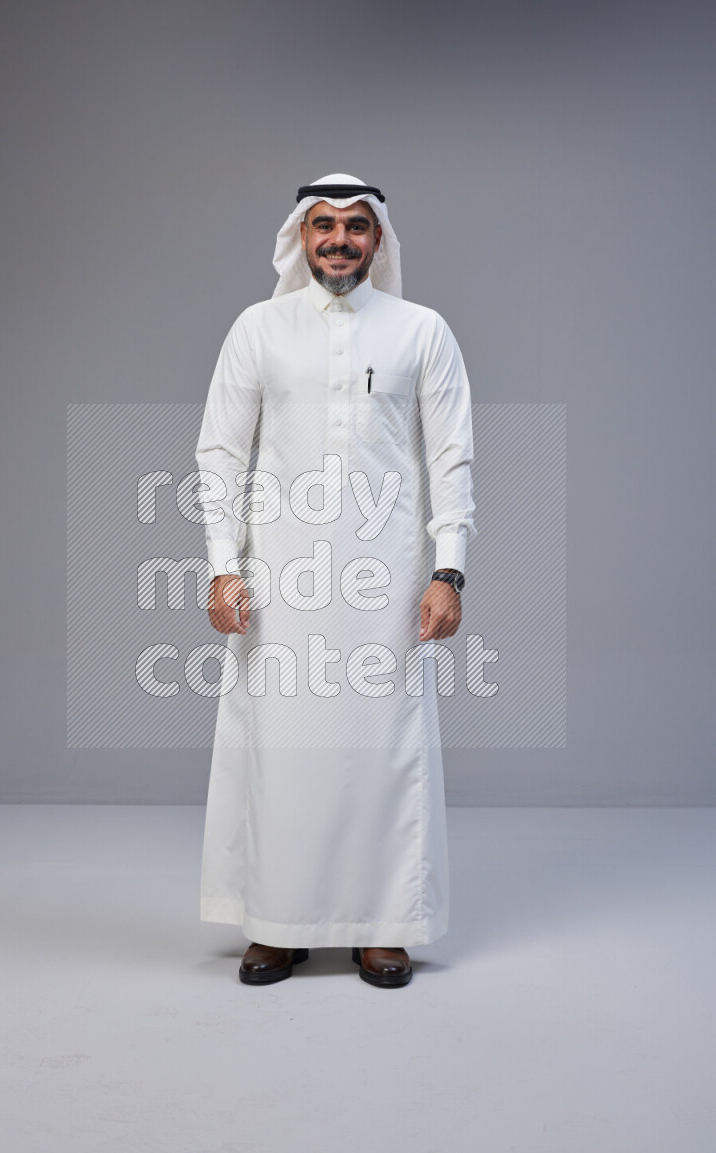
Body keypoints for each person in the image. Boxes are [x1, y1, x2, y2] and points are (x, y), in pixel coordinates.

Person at [195, 173, 476, 988]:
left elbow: (452, 456)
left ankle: (383, 924)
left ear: (379, 239)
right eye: (324, 225)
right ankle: (276, 924)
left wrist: (447, 570)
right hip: (279, 577)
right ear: (300, 236)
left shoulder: (423, 331)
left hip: (385, 578)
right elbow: (219, 452)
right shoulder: (259, 329)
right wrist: (222, 566)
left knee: (381, 748)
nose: (340, 240)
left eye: (357, 226)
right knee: (280, 749)